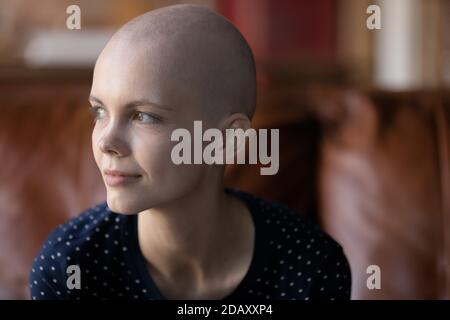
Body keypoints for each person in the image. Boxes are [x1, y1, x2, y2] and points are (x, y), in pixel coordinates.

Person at [29, 4, 351, 300]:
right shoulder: (69, 267)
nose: (105, 142)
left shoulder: (310, 267)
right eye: (99, 112)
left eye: (144, 116)